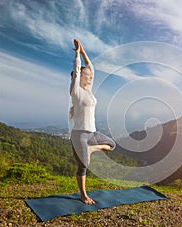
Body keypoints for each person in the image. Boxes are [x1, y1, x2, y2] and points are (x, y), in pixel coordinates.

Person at [69, 39, 116, 204]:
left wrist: (83, 51)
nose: (89, 77)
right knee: (83, 167)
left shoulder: (88, 91)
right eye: (86, 75)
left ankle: (90, 150)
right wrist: (77, 54)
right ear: (79, 77)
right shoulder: (76, 92)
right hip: (79, 135)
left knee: (111, 145)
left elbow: (92, 68)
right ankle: (83, 195)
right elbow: (77, 69)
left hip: (92, 134)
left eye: (89, 76)